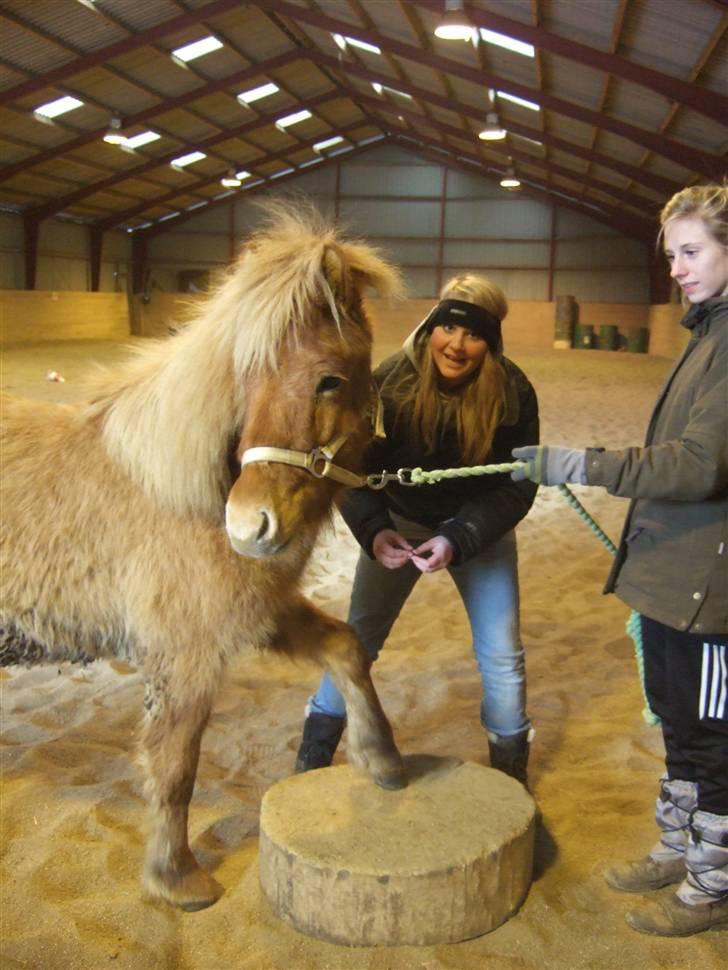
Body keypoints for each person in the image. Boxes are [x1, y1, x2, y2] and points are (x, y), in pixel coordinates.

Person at [511, 183, 728, 937]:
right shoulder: (708, 332)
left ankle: (713, 883)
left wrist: (581, 464)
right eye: (672, 254)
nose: (677, 268)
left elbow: (699, 465)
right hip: (673, 578)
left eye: (692, 251)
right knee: (677, 721)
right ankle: (681, 846)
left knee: (714, 737)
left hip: (712, 590)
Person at [294, 274, 539, 785]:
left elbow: (516, 485)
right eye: (448, 327)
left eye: (473, 334)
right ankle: (313, 751)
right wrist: (374, 529)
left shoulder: (513, 393)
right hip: (399, 522)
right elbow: (352, 470)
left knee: (501, 653)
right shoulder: (389, 382)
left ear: (491, 342)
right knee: (359, 637)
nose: (456, 344)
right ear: (431, 326)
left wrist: (459, 536)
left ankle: (511, 775)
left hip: (478, 529)